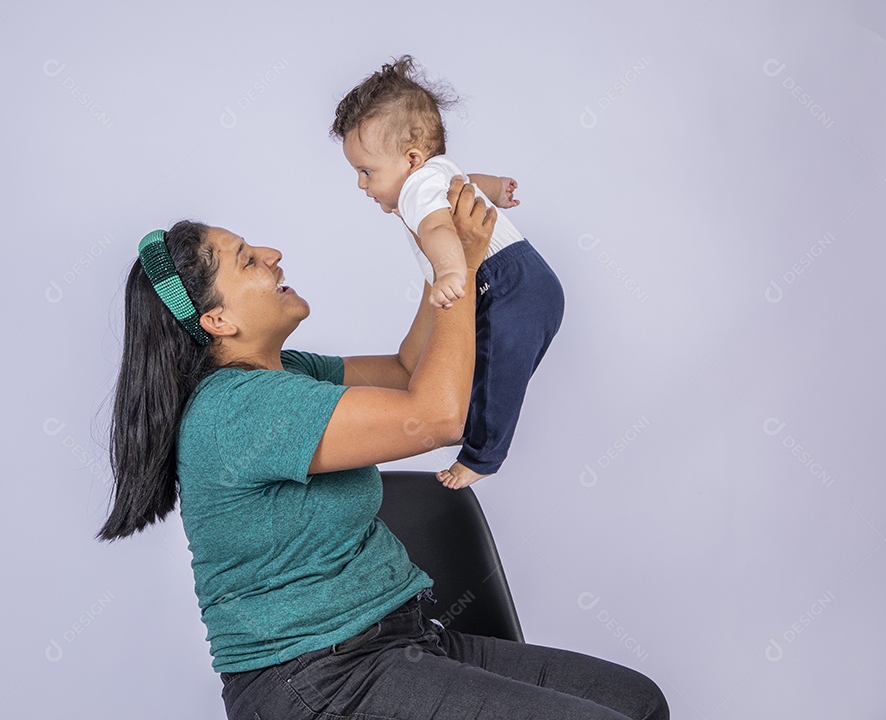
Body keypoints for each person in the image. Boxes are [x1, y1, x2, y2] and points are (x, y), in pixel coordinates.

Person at [96, 179, 668, 719]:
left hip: (406, 639)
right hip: (315, 678)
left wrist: (433, 250)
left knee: (637, 703)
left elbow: (406, 370)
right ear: (216, 319)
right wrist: (461, 266)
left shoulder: (289, 374)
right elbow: (437, 417)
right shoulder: (240, 409)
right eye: (247, 258)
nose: (271, 253)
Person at [331, 55, 565, 491]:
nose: (362, 185)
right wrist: (498, 187)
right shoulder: (435, 172)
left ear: (411, 158)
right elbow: (469, 180)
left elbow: (440, 229)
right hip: (529, 279)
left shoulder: (418, 191)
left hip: (502, 284)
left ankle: (481, 456)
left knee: (496, 376)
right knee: (484, 369)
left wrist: (452, 271)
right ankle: (469, 430)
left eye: (367, 171)